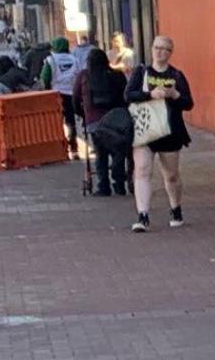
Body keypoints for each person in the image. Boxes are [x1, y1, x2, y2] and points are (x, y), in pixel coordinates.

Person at [130, 34, 194, 230]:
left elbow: (188, 103)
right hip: (145, 128)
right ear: (152, 49)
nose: (160, 52)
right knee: (142, 170)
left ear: (170, 53)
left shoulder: (176, 76)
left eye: (165, 49)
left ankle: (176, 208)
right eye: (157, 47)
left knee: (171, 175)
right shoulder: (141, 73)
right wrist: (150, 94)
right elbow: (128, 95)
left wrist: (175, 95)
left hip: (170, 130)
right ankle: (143, 216)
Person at [73, 38, 129, 198]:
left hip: (94, 122)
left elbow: (76, 98)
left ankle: (103, 186)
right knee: (119, 150)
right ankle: (119, 182)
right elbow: (125, 97)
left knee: (100, 153)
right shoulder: (118, 76)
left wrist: (82, 114)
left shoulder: (84, 76)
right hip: (117, 122)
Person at [49, 31, 86, 158]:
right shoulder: (74, 60)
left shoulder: (50, 60)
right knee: (71, 122)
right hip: (71, 94)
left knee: (57, 122)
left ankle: (60, 150)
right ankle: (74, 148)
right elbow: (80, 76)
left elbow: (45, 77)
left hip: (56, 95)